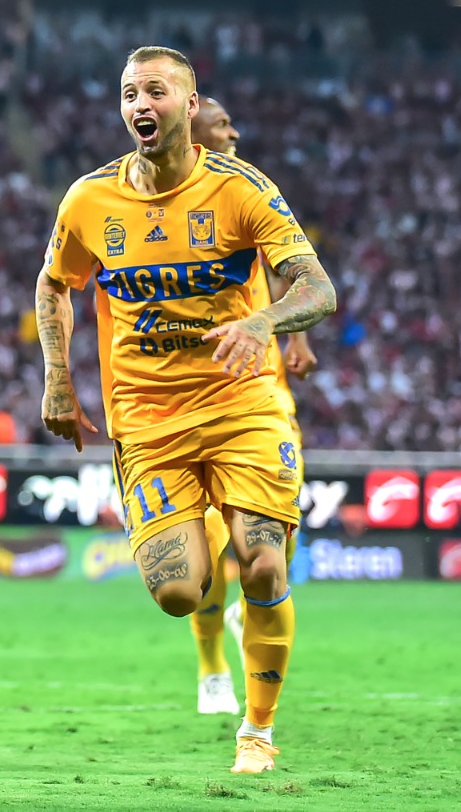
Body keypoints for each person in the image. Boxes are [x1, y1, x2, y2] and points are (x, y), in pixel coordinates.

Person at [35, 47, 335, 775]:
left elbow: (317, 289)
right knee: (177, 592)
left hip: (242, 404)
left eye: (158, 91)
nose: (142, 103)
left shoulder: (242, 188)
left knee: (262, 565)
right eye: (130, 92)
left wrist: (264, 325)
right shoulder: (89, 200)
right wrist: (57, 381)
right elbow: (54, 286)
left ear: (189, 104)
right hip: (146, 420)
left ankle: (256, 732)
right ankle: (210, 654)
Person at [186, 97, 318, 716]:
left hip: (261, 394)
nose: (234, 130)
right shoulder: (150, 205)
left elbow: (292, 272)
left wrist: (296, 334)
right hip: (186, 403)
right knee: (208, 557)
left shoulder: (246, 193)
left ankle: (249, 613)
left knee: (273, 545)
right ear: (192, 131)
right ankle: (212, 666)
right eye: (222, 123)